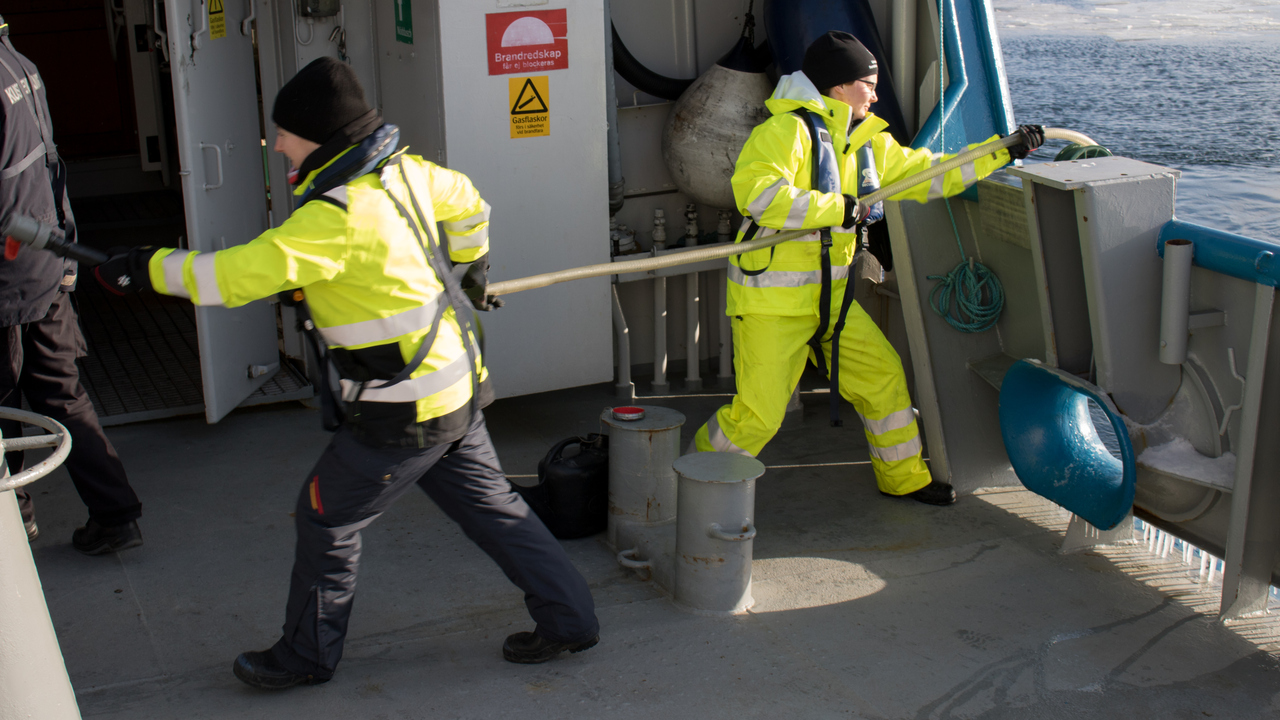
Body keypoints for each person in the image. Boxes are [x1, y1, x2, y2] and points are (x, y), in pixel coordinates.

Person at [94, 58, 600, 689]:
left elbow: (226, 278)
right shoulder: (407, 174)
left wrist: (140, 267)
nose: (275, 142)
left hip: (404, 413)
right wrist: (473, 268)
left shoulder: (331, 219)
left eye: (286, 133)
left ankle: (306, 656)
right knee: (493, 508)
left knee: (326, 518)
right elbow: (472, 203)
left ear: (324, 139)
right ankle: (570, 619)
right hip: (455, 385)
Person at [689, 31, 1043, 505]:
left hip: (831, 302)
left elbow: (931, 174)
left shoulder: (869, 144)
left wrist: (1002, 151)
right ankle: (691, 482)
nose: (875, 95)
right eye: (867, 84)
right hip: (773, 305)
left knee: (883, 377)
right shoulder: (784, 132)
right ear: (838, 87)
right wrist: (839, 209)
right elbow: (758, 194)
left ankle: (904, 478)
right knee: (758, 415)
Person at [0, 16, 143, 552]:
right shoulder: (23, 68)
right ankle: (116, 513)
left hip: (7, 278)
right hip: (40, 261)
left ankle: (15, 523)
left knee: (4, 407)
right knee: (63, 395)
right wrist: (64, 256)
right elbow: (52, 168)